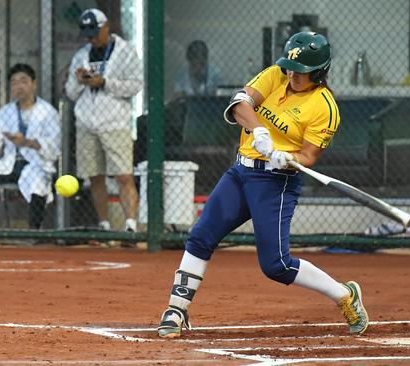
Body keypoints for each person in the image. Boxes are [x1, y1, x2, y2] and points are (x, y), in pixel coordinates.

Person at [157, 31, 368, 338]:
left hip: (276, 182)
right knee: (201, 236)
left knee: (276, 265)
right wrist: (259, 131)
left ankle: (344, 295)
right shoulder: (276, 75)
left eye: (302, 71)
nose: (293, 74)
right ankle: (176, 308)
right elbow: (240, 103)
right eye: (291, 67)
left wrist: (288, 158)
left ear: (319, 72)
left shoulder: (324, 107)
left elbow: (309, 156)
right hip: (240, 172)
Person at [64, 8, 143, 232]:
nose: (91, 38)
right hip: (86, 124)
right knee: (94, 176)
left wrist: (105, 82)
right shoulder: (81, 55)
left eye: (94, 32)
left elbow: (136, 85)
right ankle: (105, 225)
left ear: (106, 27)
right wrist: (80, 80)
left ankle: (130, 225)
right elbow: (70, 93)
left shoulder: (125, 51)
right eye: (87, 34)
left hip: (115, 123)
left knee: (123, 175)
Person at [0, 64, 61, 229]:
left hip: (36, 163)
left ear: (34, 83)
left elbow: (54, 146)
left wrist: (27, 142)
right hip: (9, 164)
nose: (19, 86)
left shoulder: (48, 112)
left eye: (23, 81)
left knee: (37, 181)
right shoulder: (6, 111)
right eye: (14, 82)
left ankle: (34, 231)